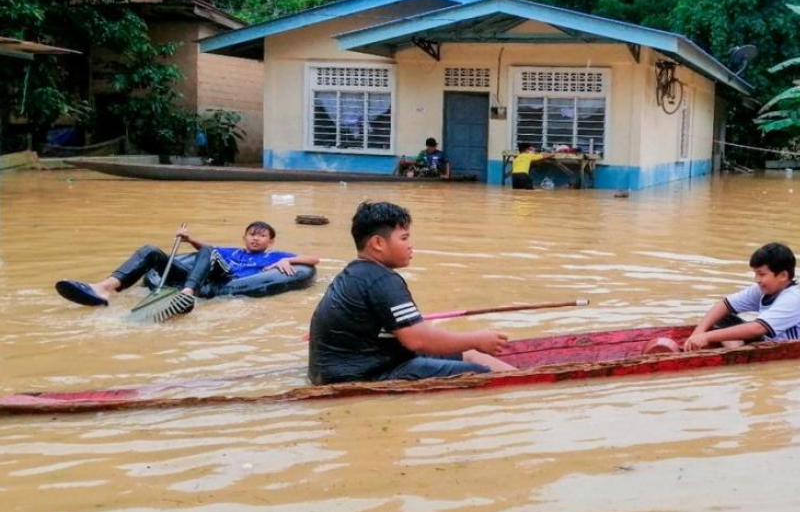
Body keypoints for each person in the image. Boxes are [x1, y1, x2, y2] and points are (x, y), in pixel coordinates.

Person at [308, 201, 516, 385]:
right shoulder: (382, 280)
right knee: (482, 374)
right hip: (364, 375)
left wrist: (473, 343)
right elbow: (418, 340)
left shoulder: (354, 272)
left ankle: (525, 377)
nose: (410, 245)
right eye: (404, 238)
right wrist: (476, 338)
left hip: (335, 370)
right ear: (378, 243)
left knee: (468, 354)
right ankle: (526, 388)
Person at [55, 221, 320, 310]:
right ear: (244, 237)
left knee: (209, 251)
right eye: (251, 233)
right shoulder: (232, 250)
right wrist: (189, 238)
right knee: (151, 251)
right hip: (202, 277)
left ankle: (187, 294)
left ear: (270, 242)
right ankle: (105, 288)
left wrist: (288, 259)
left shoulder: (273, 256)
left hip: (224, 282)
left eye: (261, 235)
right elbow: (204, 249)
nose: (255, 238)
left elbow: (313, 260)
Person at [683, 243, 800, 351]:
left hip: (793, 350)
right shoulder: (762, 289)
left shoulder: (793, 298)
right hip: (769, 343)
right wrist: (698, 333)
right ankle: (737, 354)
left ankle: (739, 359)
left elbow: (757, 329)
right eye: (755, 274)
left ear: (783, 276)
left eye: (761, 274)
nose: (757, 279)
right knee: (723, 318)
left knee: (729, 330)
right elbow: (725, 304)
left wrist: (706, 337)